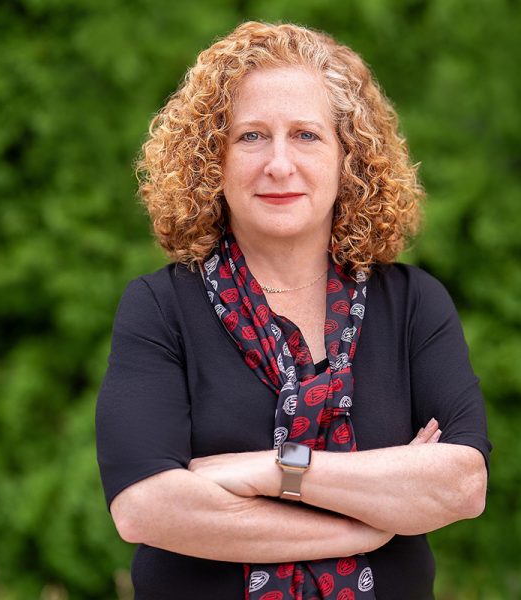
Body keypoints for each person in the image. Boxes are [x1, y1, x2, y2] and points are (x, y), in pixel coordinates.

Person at [95, 21, 491, 600]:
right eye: (251, 137)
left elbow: (460, 484)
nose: (279, 164)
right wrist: (372, 515)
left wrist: (272, 471)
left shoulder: (412, 304)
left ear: (347, 157)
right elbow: (146, 508)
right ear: (213, 161)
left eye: (306, 135)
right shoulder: (161, 309)